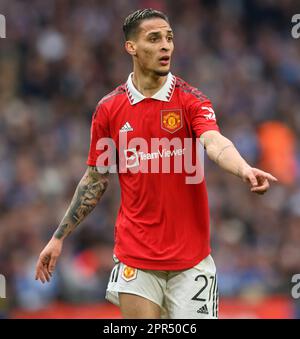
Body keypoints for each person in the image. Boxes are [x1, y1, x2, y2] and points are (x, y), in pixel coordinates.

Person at [35, 8, 277, 319]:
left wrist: (243, 168)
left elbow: (214, 142)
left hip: (191, 262)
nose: (166, 46)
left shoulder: (191, 99)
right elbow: (96, 179)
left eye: (169, 38)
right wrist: (59, 237)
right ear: (131, 48)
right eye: (154, 39)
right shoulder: (109, 109)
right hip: (136, 257)